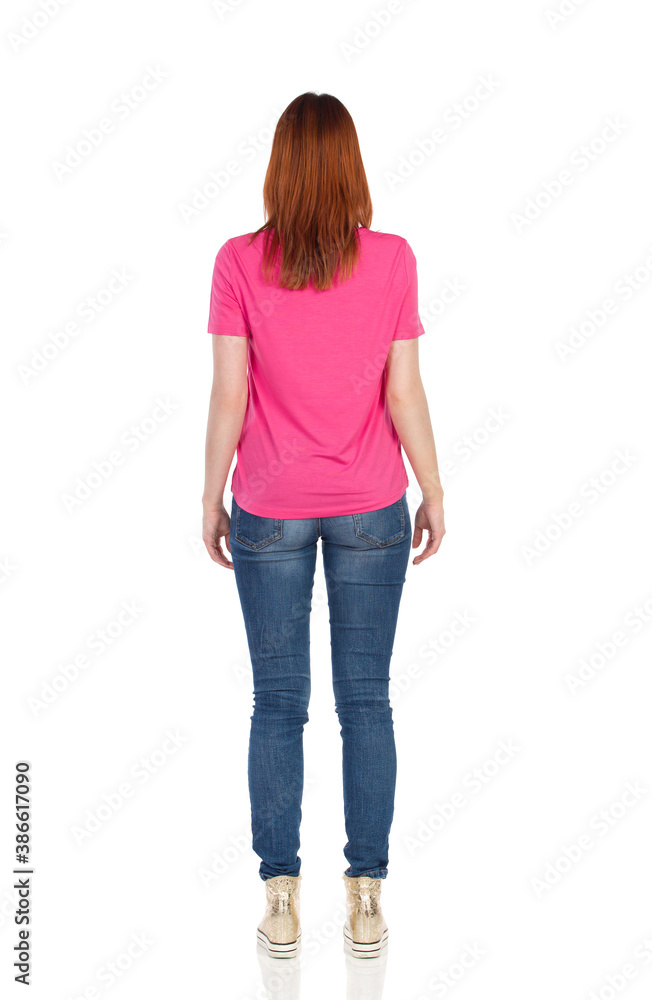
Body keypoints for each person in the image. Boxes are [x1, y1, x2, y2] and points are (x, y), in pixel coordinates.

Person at [202, 91, 445, 960]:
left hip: (268, 509)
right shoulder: (391, 259)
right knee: (366, 701)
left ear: (280, 168)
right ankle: (366, 899)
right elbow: (403, 390)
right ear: (350, 167)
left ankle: (280, 900)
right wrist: (432, 488)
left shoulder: (237, 260)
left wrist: (210, 496)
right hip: (371, 507)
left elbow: (229, 393)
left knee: (277, 703)